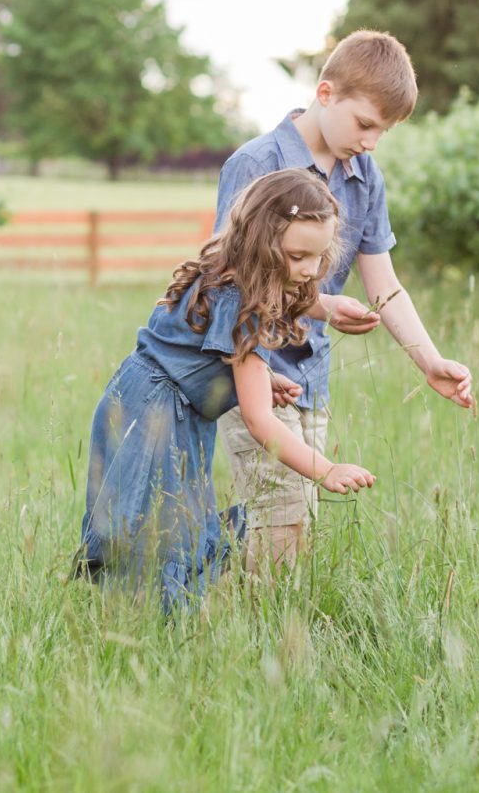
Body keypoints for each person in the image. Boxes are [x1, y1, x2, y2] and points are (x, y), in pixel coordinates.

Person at [215, 30, 476, 571]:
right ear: (326, 93)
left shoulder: (364, 176)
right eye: (366, 124)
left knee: (292, 518)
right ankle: (263, 640)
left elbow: (383, 281)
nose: (372, 141)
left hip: (310, 376)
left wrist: (430, 362)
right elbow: (230, 277)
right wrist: (322, 306)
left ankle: (232, 608)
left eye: (384, 131)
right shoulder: (255, 162)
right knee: (279, 521)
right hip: (253, 369)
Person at [76, 168, 375, 611]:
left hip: (139, 397)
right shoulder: (243, 304)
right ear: (262, 242)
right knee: (157, 526)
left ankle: (145, 620)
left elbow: (194, 348)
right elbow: (259, 422)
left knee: (159, 522)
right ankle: (146, 624)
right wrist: (324, 470)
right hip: (157, 415)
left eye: (318, 256)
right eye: (297, 256)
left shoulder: (228, 273)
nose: (310, 270)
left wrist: (258, 377)